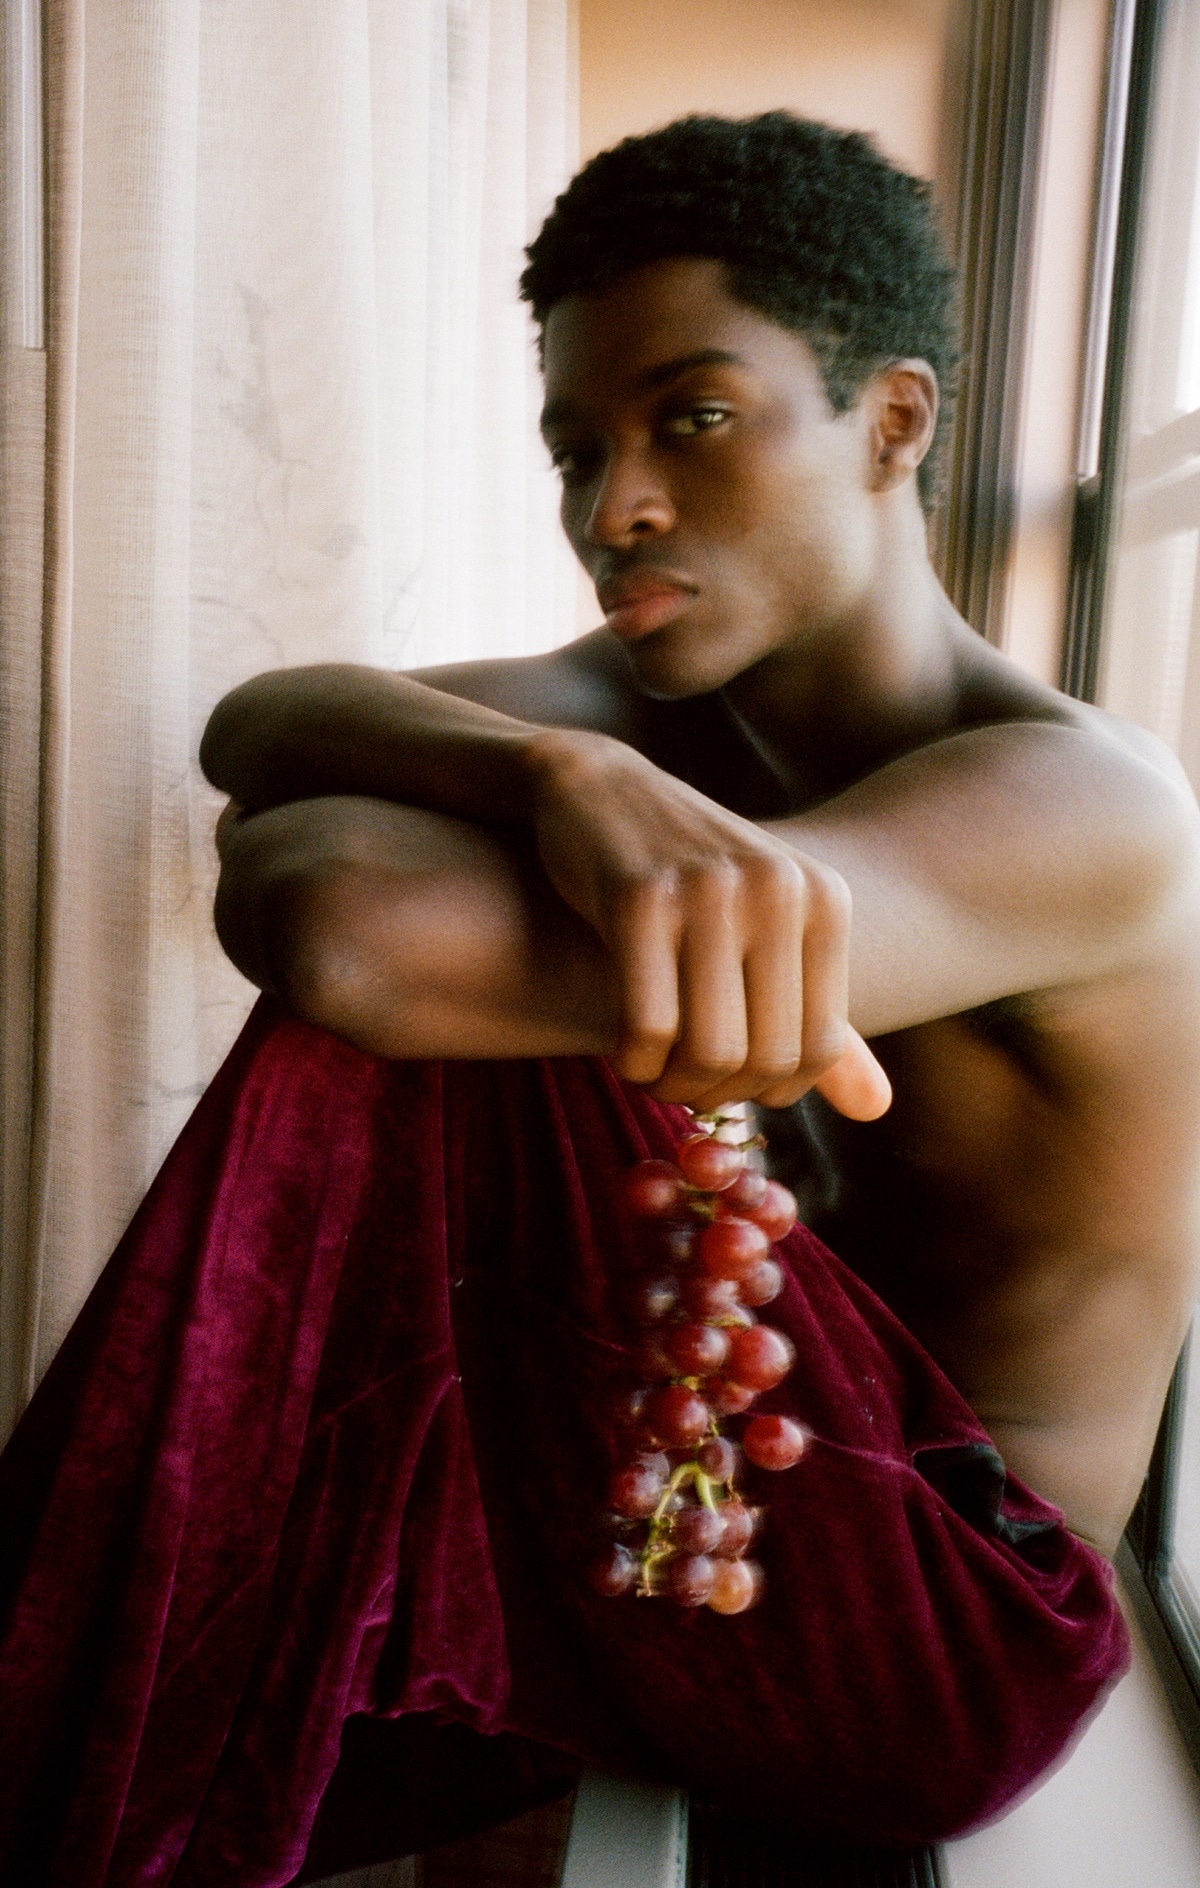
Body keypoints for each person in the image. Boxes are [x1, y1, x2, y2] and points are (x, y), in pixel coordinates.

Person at [3, 112, 1199, 1885]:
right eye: (577, 449)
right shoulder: (648, 725)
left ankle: (94, 1723)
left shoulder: (1086, 812)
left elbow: (341, 923)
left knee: (419, 1041)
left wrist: (540, 788)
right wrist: (570, 786)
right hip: (692, 1476)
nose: (610, 507)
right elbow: (259, 723)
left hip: (939, 1618)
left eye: (692, 420)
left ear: (892, 420)